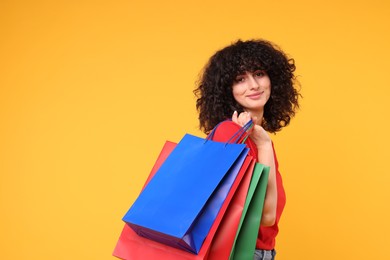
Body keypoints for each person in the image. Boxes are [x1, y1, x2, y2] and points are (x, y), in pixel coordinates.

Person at [194, 39, 300, 260]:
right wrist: (263, 145)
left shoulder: (259, 137)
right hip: (238, 254)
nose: (253, 85)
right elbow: (265, 216)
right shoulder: (230, 135)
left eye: (259, 73)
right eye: (240, 79)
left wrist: (263, 143)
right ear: (227, 90)